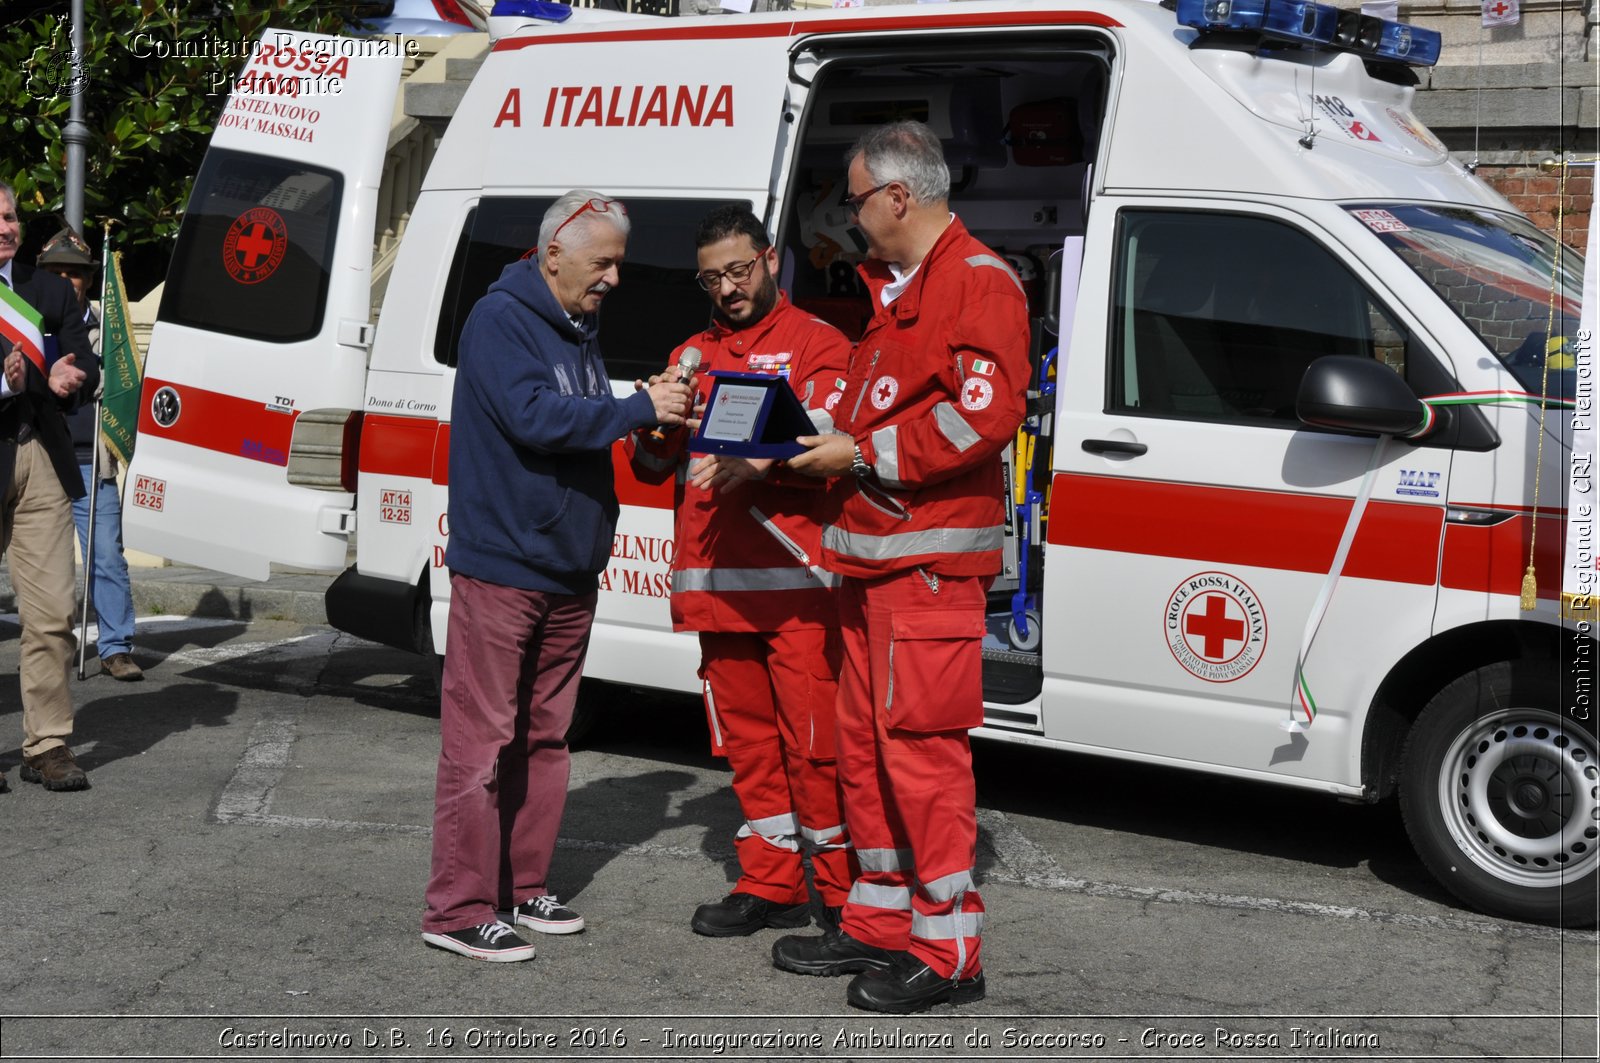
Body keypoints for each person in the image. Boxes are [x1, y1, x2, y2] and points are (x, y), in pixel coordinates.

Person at [700, 122, 1029, 1012]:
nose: (846, 217)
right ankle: (879, 921)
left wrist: (858, 455)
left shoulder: (975, 282)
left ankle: (951, 950)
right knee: (866, 752)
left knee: (921, 757)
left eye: (852, 199)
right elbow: (852, 413)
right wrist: (782, 448)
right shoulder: (900, 294)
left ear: (897, 196)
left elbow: (979, 420)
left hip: (923, 569)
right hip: (871, 565)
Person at [422, 190, 693, 962]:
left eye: (618, 263)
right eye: (601, 261)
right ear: (551, 255)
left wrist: (637, 409)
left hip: (568, 566)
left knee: (543, 737)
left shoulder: (577, 324)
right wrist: (637, 406)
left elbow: (577, 414)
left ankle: (520, 882)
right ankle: (456, 907)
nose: (613, 277)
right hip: (505, 566)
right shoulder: (501, 319)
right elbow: (535, 417)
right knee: (480, 744)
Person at [627, 206, 853, 939]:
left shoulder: (819, 345)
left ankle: (843, 893)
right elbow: (655, 465)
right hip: (716, 585)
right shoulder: (689, 351)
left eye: (737, 269)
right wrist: (654, 421)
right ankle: (771, 879)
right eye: (711, 277)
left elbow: (828, 446)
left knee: (815, 744)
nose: (726, 287)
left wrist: (764, 447)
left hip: (796, 589)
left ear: (770, 259)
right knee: (749, 747)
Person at [0, 181, 97, 793]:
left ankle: (48, 743)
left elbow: (82, 362)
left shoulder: (49, 289)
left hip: (38, 455)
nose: (6, 227)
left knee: (53, 610)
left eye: (9, 216)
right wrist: (8, 383)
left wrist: (68, 375)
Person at [37, 225, 142, 682]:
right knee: (43, 563)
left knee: (105, 558)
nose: (65, 280)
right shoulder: (28, 322)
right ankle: (47, 649)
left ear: (88, 279)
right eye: (56, 271)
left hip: (90, 462)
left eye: (74, 273)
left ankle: (116, 647)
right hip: (39, 460)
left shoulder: (108, 329)